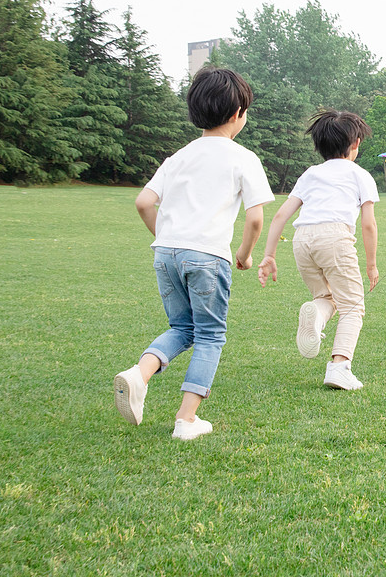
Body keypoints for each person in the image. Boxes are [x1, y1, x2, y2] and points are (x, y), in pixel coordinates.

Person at [114, 67, 274, 441]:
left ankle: (139, 374)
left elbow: (143, 202)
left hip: (166, 253)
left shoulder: (178, 157)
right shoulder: (242, 158)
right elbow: (255, 219)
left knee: (182, 328)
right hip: (207, 257)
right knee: (209, 335)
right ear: (237, 114)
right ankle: (186, 420)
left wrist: (169, 237)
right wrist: (245, 255)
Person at [258, 110, 379, 390]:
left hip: (302, 239)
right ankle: (339, 367)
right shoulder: (360, 175)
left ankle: (316, 314)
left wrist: (269, 255)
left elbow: (280, 216)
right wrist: (371, 265)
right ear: (356, 144)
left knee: (327, 297)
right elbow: (369, 225)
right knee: (352, 307)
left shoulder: (311, 174)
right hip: (335, 236)